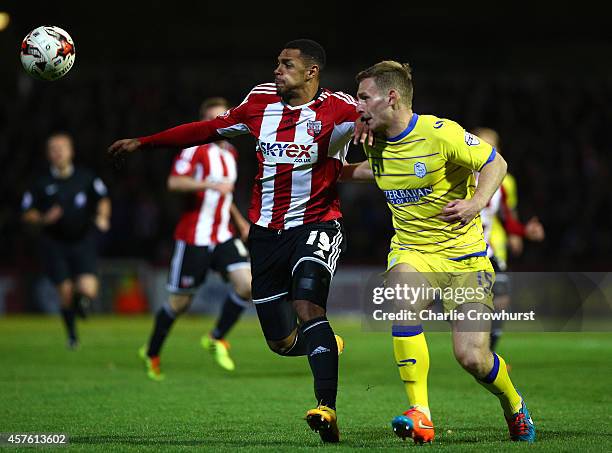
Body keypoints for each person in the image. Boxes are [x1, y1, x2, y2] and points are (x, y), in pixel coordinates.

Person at [109, 39, 359, 442]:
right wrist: (145, 142)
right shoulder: (260, 101)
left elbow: (384, 122)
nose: (276, 70)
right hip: (265, 234)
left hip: (317, 223)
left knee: (309, 303)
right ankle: (322, 342)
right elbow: (205, 130)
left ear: (312, 72)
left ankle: (326, 407)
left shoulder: (340, 107)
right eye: (277, 63)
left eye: (287, 64)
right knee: (280, 341)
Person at [346, 61, 535, 443]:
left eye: (365, 97)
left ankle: (514, 404)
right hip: (412, 251)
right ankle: (421, 413)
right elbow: (363, 169)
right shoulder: (371, 137)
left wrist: (477, 202)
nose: (358, 105)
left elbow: (495, 162)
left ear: (392, 97)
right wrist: (326, 168)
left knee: (473, 358)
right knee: (402, 296)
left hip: (465, 258)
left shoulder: (440, 133)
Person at [138, 97, 252, 381]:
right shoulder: (195, 150)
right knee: (180, 304)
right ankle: (151, 352)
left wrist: (239, 220)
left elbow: (225, 193)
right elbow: (174, 182)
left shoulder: (231, 153)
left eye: (222, 118)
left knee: (248, 285)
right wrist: (209, 183)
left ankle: (216, 338)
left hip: (223, 234)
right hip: (194, 237)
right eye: (212, 120)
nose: (218, 125)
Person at [22, 132, 111, 349]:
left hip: (82, 240)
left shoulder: (86, 177)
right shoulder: (40, 182)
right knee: (66, 291)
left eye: (62, 147)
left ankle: (81, 306)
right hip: (55, 244)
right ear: (48, 154)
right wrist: (43, 218)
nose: (58, 152)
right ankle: (72, 336)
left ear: (71, 151)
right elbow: (26, 212)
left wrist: (103, 216)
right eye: (54, 148)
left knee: (88, 290)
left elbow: (102, 199)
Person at [473, 127, 545, 352]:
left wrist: (523, 231)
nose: (486, 151)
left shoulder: (501, 183)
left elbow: (507, 217)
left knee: (501, 296)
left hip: (487, 249)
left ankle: (489, 353)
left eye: (491, 147)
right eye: (480, 145)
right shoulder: (456, 175)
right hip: (456, 249)